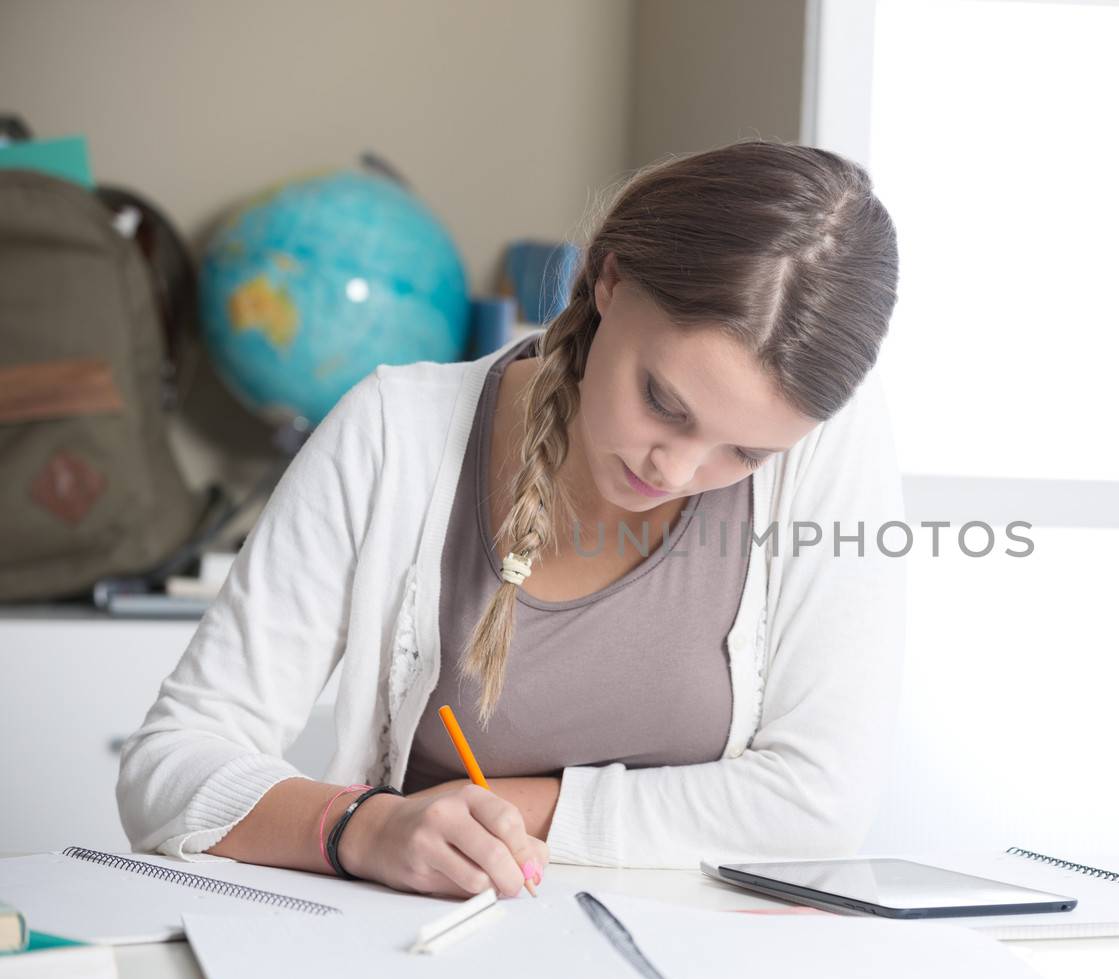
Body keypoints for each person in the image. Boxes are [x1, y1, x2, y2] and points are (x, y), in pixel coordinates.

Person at [115, 139, 908, 899]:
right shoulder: (393, 433)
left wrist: (510, 811)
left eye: (743, 455)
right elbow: (169, 767)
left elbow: (819, 807)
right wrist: (363, 827)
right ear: (609, 280)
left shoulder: (824, 444)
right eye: (662, 402)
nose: (676, 471)